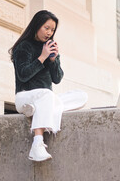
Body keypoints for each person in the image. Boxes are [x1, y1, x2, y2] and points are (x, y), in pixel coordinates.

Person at [9, 10, 87, 162]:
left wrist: (53, 60)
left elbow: (57, 79)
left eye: (52, 30)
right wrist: (42, 57)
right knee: (47, 95)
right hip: (24, 96)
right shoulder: (23, 47)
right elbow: (23, 75)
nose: (49, 33)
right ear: (37, 25)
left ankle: (37, 109)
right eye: (47, 28)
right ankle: (37, 145)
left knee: (82, 96)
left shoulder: (49, 48)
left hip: (44, 98)